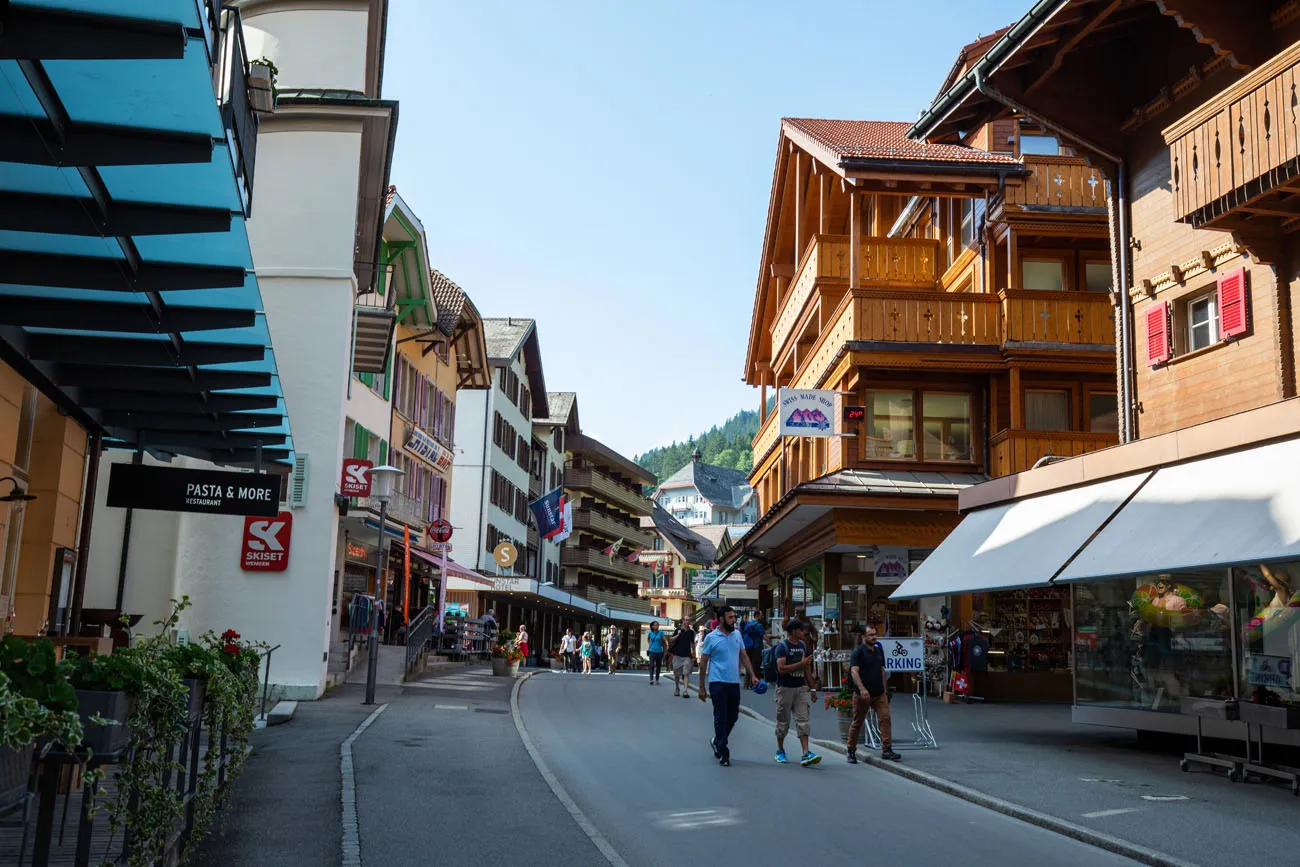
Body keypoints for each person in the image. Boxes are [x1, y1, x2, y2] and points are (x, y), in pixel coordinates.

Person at [698, 606, 760, 767]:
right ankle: (723, 751)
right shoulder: (711, 637)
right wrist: (701, 687)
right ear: (721, 619)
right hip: (717, 682)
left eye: (734, 617)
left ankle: (717, 739)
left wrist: (753, 675)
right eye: (730, 617)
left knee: (733, 716)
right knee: (720, 716)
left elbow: (743, 656)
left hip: (733, 682)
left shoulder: (737, 634)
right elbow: (704, 662)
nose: (734, 620)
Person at [847, 624, 900, 763]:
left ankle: (887, 749)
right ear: (863, 637)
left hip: (879, 693)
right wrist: (862, 689)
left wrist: (885, 689)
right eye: (871, 635)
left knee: (885, 719)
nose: (874, 637)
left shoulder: (878, 651)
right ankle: (851, 750)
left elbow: (882, 671)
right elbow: (854, 672)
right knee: (858, 722)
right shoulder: (858, 652)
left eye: (875, 634)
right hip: (862, 694)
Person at [774, 619, 821, 767]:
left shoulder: (802, 646)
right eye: (801, 630)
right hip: (785, 688)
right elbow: (781, 669)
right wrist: (801, 664)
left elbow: (807, 669)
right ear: (793, 631)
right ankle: (780, 750)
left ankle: (806, 752)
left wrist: (812, 688)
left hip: (800, 688)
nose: (804, 632)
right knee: (783, 721)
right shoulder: (782, 647)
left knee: (803, 720)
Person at [668, 619, 695, 698]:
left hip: (687, 656)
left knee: (686, 673)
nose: (687, 622)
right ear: (683, 621)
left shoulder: (691, 632)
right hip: (677, 655)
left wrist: (694, 655)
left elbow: (692, 643)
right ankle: (677, 688)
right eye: (686, 620)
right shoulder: (678, 630)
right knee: (677, 674)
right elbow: (671, 639)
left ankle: (685, 691)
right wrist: (678, 634)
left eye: (688, 620)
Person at [742, 614, 766, 687]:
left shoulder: (749, 624)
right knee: (755, 665)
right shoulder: (759, 625)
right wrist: (775, 637)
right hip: (756, 647)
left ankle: (746, 683)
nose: (762, 617)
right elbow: (764, 636)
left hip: (747, 647)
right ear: (757, 616)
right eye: (761, 615)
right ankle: (753, 683)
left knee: (748, 664)